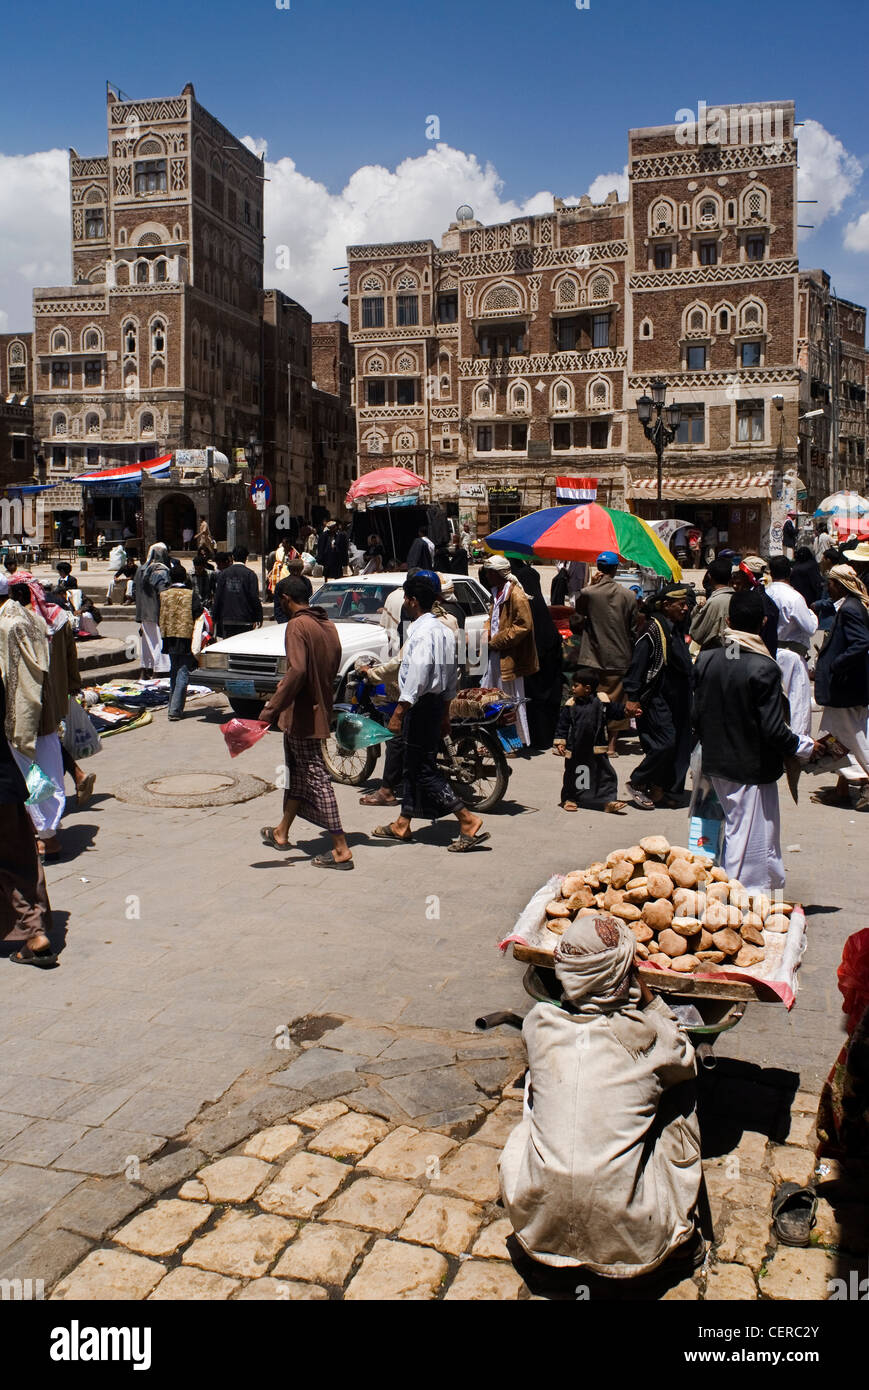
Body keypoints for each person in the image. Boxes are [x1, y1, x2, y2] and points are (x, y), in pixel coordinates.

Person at [499, 913, 703, 1278]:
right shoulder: (650, 1038)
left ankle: (552, 1222)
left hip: (536, 1225)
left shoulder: (538, 1023)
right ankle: (681, 1240)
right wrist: (651, 1000)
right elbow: (685, 1060)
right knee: (681, 1097)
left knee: (538, 1097)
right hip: (631, 1237)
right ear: (626, 974)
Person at [692, 590, 815, 894]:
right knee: (746, 840)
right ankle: (735, 900)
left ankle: (740, 894)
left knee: (732, 832)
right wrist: (804, 746)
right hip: (749, 768)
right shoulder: (764, 667)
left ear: (728, 620)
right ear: (762, 623)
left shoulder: (706, 659)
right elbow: (773, 728)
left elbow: (696, 715)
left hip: (715, 762)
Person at [371, 574, 489, 850]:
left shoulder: (422, 634)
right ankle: (402, 823)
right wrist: (445, 713)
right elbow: (451, 675)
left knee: (423, 769)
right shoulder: (444, 631)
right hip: (434, 705)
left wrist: (400, 710)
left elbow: (418, 675)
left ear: (411, 601)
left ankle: (467, 819)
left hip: (419, 706)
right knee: (413, 766)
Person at [258, 576, 353, 868]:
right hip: (318, 709)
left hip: (303, 716)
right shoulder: (327, 625)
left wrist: (271, 709)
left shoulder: (298, 625)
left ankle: (340, 848)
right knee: (298, 773)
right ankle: (282, 831)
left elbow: (297, 670)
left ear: (286, 598)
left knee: (315, 775)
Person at [0, 667, 56, 968]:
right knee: (17, 861)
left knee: (9, 863)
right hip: (4, 785)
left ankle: (34, 934)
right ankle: (34, 931)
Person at [624, 588, 693, 810]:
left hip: (676, 698)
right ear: (665, 605)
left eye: (685, 604)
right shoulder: (652, 630)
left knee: (678, 745)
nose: (685, 608)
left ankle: (658, 790)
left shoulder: (675, 628)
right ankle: (638, 781)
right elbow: (638, 665)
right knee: (665, 742)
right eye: (680, 604)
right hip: (655, 697)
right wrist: (632, 697)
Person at [812, 564, 869, 812]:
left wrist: (836, 664)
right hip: (844, 689)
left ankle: (864, 779)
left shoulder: (851, 609)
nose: (828, 588)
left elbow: (861, 642)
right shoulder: (849, 607)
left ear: (840, 584)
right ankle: (842, 789)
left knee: (852, 739)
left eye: (830, 584)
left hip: (846, 689)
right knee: (836, 738)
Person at [573, 552, 637, 755]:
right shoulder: (629, 596)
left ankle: (592, 741)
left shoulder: (588, 592)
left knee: (592, 700)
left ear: (599, 568)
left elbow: (578, 616)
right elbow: (633, 628)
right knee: (616, 702)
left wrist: (590, 584)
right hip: (619, 657)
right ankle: (610, 746)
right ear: (616, 569)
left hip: (592, 657)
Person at [480, 555, 538, 748]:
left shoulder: (516, 595)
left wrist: (497, 640)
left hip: (509, 657)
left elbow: (523, 626)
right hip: (495, 654)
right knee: (493, 698)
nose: (487, 576)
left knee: (509, 702)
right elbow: (493, 619)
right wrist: (486, 633)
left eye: (490, 572)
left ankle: (511, 744)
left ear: (499, 574)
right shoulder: (496, 592)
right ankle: (495, 740)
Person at [553, 667, 627, 813]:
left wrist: (628, 711)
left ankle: (608, 801)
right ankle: (570, 799)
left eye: (576, 685)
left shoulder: (601, 701)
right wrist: (560, 742)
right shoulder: (571, 704)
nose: (573, 688)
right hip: (576, 748)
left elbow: (615, 711)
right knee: (575, 774)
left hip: (596, 748)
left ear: (587, 688)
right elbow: (562, 725)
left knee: (604, 774)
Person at [766, 555, 818, 739]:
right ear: (790, 572)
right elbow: (810, 628)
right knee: (797, 704)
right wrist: (811, 613)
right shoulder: (794, 597)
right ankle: (798, 746)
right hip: (792, 657)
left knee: (772, 702)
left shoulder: (765, 593)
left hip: (767, 654)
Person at [512, 562, 563, 749]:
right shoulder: (541, 608)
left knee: (533, 700)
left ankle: (534, 738)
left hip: (532, 663)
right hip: (548, 665)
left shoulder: (523, 608)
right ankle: (547, 737)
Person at [159, 562, 204, 722]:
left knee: (174, 670)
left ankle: (172, 705)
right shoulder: (190, 594)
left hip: (169, 637)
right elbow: (198, 612)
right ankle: (175, 710)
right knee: (183, 672)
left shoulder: (164, 594)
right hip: (185, 637)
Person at [134, 542, 171, 677]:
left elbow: (135, 591)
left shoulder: (141, 569)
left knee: (147, 642)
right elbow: (164, 593)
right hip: (157, 612)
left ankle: (145, 670)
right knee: (159, 642)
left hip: (144, 612)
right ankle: (159, 671)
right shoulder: (161, 571)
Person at [212, 546, 263, 639]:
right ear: (246, 557)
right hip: (245, 619)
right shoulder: (250, 574)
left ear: (233, 557)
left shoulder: (224, 574)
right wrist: (258, 616)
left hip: (227, 618)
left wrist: (215, 616)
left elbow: (218, 596)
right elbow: (254, 597)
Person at [731, 555, 778, 656]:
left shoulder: (759, 602)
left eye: (740, 573)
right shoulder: (752, 597)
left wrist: (731, 657)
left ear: (748, 576)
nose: (737, 577)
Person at [688, 557, 734, 651]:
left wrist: (697, 610)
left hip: (718, 654)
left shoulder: (714, 602)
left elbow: (697, 634)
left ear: (709, 576)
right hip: (733, 652)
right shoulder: (737, 598)